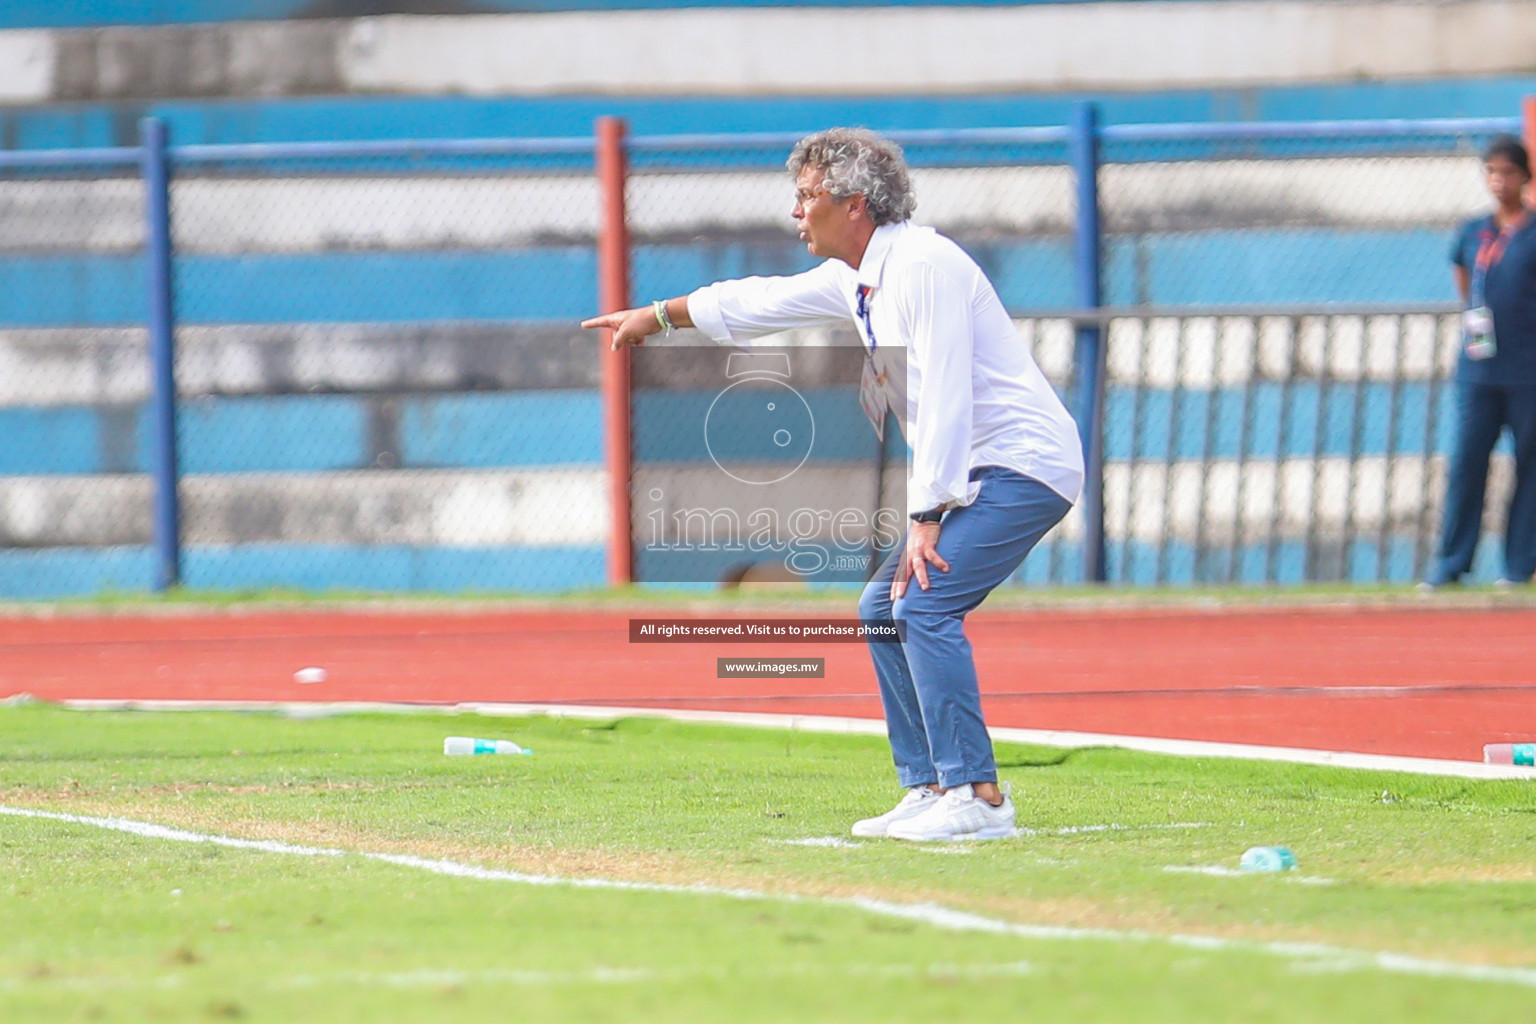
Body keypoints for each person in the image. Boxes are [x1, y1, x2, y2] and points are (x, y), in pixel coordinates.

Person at [583, 128, 1082, 841]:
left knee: (921, 605)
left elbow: (945, 396)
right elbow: (761, 301)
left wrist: (928, 514)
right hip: (980, 468)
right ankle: (932, 784)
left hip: (1025, 464)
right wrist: (661, 315)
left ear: (855, 204)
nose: (796, 212)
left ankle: (980, 798)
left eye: (807, 196)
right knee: (882, 605)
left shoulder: (923, 266)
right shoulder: (860, 273)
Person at [1424, 134, 1536, 589]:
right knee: (1466, 462)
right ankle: (1451, 564)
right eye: (1492, 171)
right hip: (1478, 370)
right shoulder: (1474, 231)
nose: (1499, 180)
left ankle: (1517, 567)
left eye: (1508, 171)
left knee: (1529, 467)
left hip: (1528, 370)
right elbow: (1464, 276)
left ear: (1525, 176)